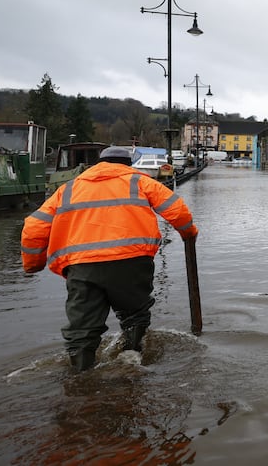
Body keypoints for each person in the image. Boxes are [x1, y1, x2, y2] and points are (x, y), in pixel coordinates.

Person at [20, 145, 199, 372]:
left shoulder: (68, 189)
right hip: (131, 261)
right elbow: (178, 211)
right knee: (134, 314)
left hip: (81, 265)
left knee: (82, 325)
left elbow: (33, 227)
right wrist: (188, 233)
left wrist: (33, 265)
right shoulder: (140, 181)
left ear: (99, 163)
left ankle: (80, 373)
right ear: (128, 164)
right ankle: (132, 359)